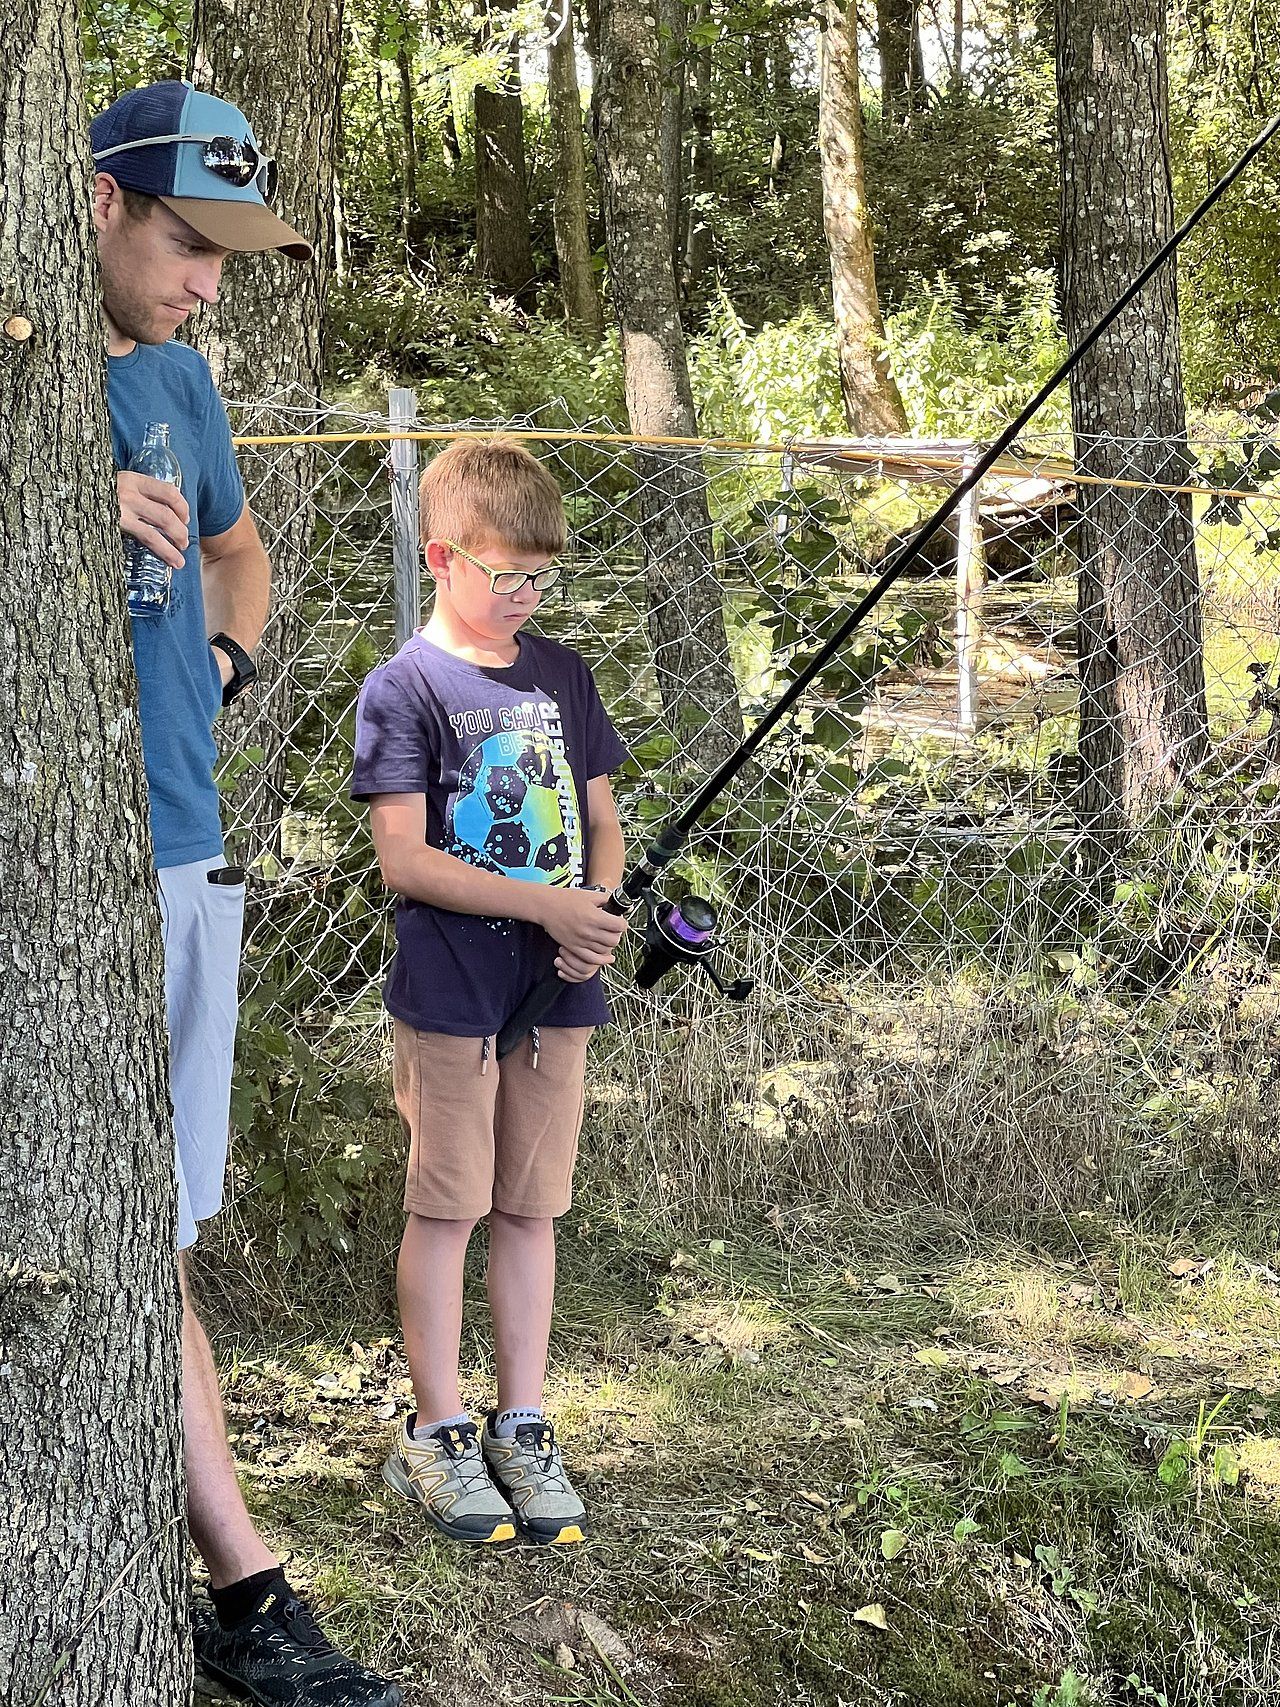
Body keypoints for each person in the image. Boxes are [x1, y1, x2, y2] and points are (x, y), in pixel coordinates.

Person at [91, 80, 400, 1705]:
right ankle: (248, 1582)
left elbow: (244, 549)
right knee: (123, 1228)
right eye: (184, 241)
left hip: (184, 853)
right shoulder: (37, 378)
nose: (208, 279)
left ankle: (240, 1584)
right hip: (74, 874)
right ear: (96, 201)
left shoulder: (185, 380)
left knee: (156, 1225)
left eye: (226, 253)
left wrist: (222, 659)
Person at [352, 437, 629, 1546]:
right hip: (452, 992)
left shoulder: (562, 674)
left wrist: (596, 915)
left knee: (528, 1205)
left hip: (557, 991)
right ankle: (437, 1433)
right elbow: (405, 862)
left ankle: (522, 1423)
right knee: (449, 1204)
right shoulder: (404, 688)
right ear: (440, 557)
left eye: (539, 576)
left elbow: (600, 824)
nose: (522, 595)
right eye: (502, 571)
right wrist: (544, 908)